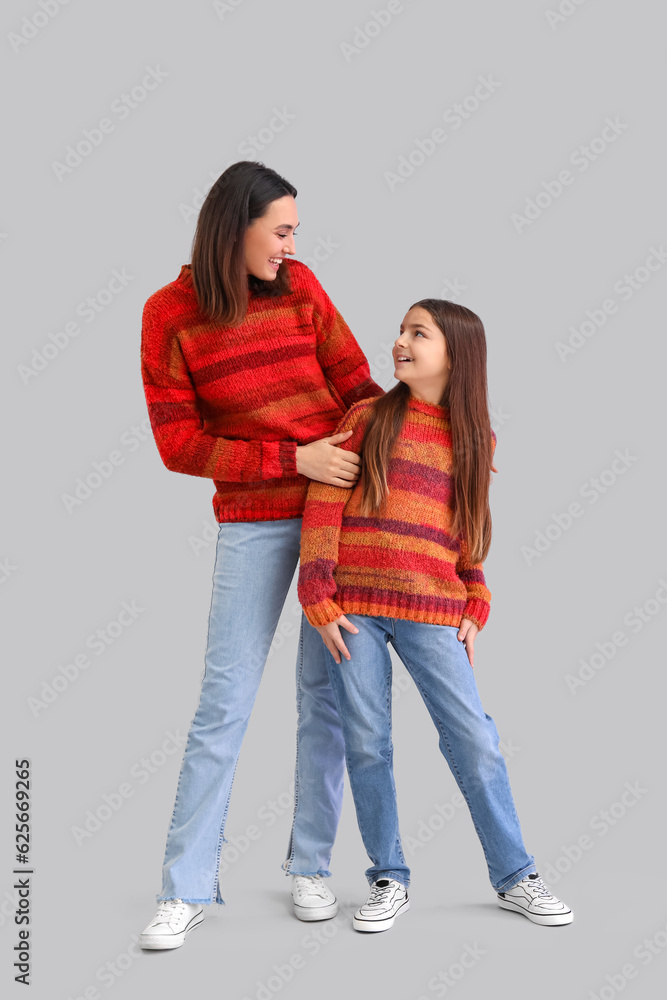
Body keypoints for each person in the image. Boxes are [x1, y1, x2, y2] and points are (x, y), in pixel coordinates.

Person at [138, 161, 385, 950]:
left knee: (325, 698)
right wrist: (292, 460)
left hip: (337, 518)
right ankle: (184, 888)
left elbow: (360, 387)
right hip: (254, 518)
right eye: (278, 230)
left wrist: (395, 446)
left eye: (292, 233)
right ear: (232, 227)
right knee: (223, 705)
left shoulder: (301, 287)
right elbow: (179, 445)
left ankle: (310, 866)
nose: (288, 245)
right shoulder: (168, 315)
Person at [297, 299, 573, 932]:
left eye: (417, 333)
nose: (400, 341)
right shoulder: (368, 416)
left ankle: (515, 875)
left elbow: (469, 525)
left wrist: (476, 594)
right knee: (367, 743)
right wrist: (317, 593)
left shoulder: (476, 438)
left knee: (474, 739)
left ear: (457, 352)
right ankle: (388, 878)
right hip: (353, 612)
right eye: (400, 330)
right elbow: (322, 501)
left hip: (433, 610)